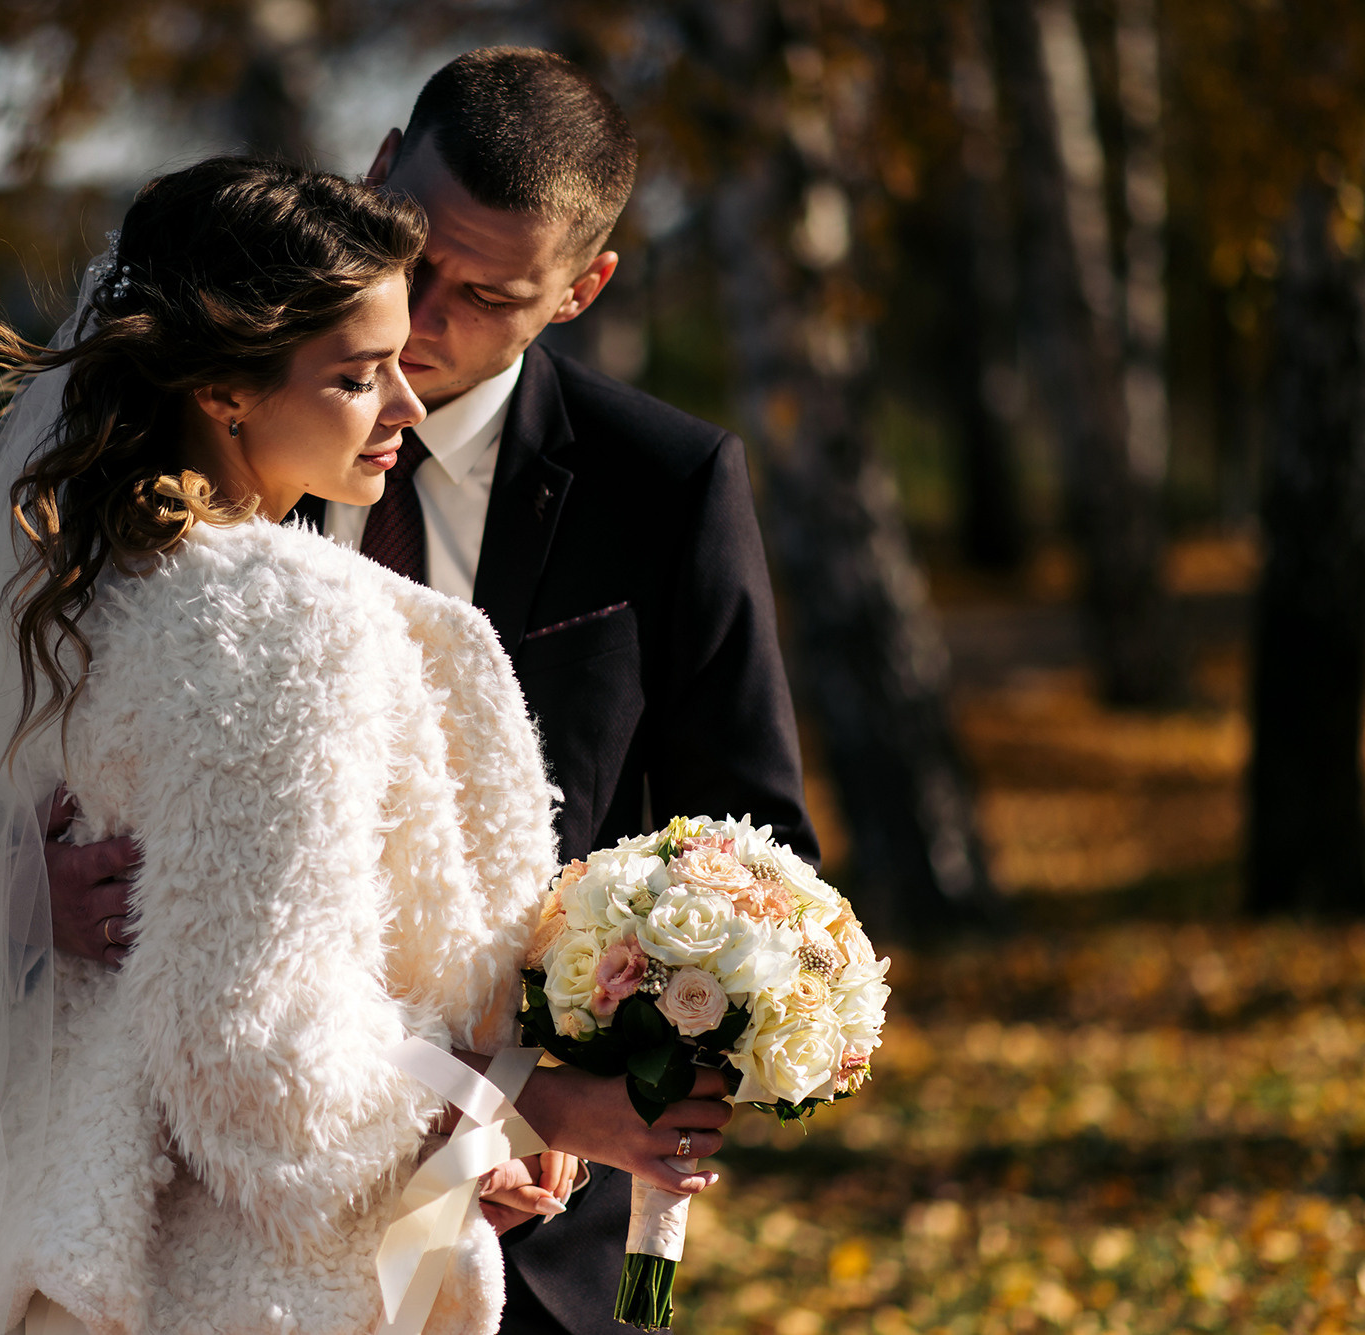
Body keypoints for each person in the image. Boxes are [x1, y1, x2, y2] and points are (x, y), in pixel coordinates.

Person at [0, 157, 726, 1335]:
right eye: (357, 377)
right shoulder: (287, 621)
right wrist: (528, 1107)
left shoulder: (87, 579)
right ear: (225, 389)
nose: (405, 407)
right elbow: (253, 1058)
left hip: (60, 1223)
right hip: (226, 1282)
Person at [48, 50, 819, 1335]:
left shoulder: (663, 488)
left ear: (580, 289)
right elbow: (3, 770)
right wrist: (18, 889)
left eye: (487, 292)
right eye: (411, 258)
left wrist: (580, 1088)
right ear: (375, 169)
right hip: (206, 1214)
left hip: (529, 1240)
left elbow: (746, 858)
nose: (421, 317)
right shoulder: (188, 472)